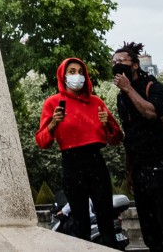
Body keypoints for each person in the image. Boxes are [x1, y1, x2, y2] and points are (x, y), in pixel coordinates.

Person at [35, 57, 122, 244]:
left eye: (81, 72)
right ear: (63, 76)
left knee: (106, 218)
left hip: (96, 161)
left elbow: (117, 138)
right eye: (72, 72)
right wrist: (53, 125)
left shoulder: (96, 102)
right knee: (80, 220)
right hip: (71, 162)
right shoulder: (53, 103)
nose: (78, 76)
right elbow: (42, 142)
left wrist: (108, 124)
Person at [111, 43, 163, 252]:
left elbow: (152, 113)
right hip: (139, 169)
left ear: (135, 65)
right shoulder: (121, 97)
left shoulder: (153, 87)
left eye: (122, 61)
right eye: (114, 62)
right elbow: (129, 135)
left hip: (161, 166)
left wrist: (128, 89)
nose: (117, 65)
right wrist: (129, 172)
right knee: (150, 231)